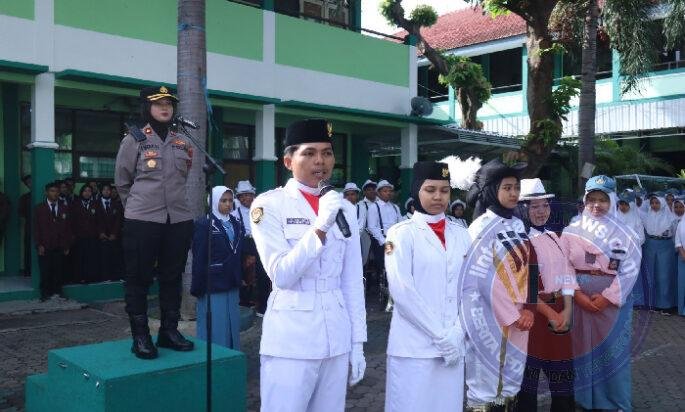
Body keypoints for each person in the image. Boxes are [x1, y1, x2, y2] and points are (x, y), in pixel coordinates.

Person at [250, 119, 367, 412]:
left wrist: (357, 342)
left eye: (327, 153)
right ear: (289, 161)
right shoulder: (269, 205)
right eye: (310, 153)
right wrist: (321, 226)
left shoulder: (345, 208)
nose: (320, 161)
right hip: (292, 337)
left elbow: (352, 280)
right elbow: (281, 275)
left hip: (336, 334)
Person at [115, 85, 195, 359]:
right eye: (159, 103)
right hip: (142, 221)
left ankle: (168, 332)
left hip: (178, 219)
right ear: (147, 108)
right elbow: (122, 182)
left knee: (172, 276)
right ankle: (140, 337)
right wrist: (137, 210)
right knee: (138, 278)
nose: (165, 108)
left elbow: (183, 178)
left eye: (169, 104)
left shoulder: (182, 142)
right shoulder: (134, 140)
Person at [383, 161, 470, 411]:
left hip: (453, 346)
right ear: (416, 191)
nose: (438, 197)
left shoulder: (461, 234)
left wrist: (457, 333)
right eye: (430, 190)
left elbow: (471, 288)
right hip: (414, 347)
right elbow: (402, 291)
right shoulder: (400, 233)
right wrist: (441, 336)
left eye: (444, 190)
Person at [560, 175, 641, 411]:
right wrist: (577, 294)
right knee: (582, 349)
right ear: (585, 201)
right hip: (580, 301)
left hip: (612, 302)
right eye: (591, 199)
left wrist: (607, 297)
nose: (596, 205)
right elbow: (564, 266)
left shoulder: (626, 234)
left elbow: (630, 270)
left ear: (612, 201)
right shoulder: (571, 231)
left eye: (603, 200)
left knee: (612, 351)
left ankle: (616, 402)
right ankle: (585, 400)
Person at [462, 157, 533, 411]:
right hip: (489, 314)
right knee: (486, 377)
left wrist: (528, 308)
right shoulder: (480, 227)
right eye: (507, 188)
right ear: (493, 190)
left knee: (512, 376)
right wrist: (513, 313)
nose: (514, 193)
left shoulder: (518, 223)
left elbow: (527, 267)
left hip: (520, 314)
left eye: (517, 187)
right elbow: (482, 278)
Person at [514, 178, 577, 412]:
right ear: (523, 209)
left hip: (560, 310)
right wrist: (552, 314)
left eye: (545, 205)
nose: (541, 211)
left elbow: (568, 273)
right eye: (534, 206)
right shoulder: (520, 242)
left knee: (563, 375)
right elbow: (524, 288)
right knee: (528, 379)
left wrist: (568, 310)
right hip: (533, 314)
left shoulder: (555, 236)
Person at [192, 186, 244, 349]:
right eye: (223, 200)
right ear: (214, 202)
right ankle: (214, 358)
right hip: (213, 284)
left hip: (232, 281)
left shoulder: (236, 223)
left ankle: (232, 354)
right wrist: (197, 286)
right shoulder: (204, 224)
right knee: (215, 324)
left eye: (230, 200)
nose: (228, 204)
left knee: (232, 322)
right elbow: (199, 256)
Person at [34, 182, 72, 301]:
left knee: (58, 270)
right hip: (45, 245)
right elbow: (36, 228)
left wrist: (67, 245)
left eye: (56, 191)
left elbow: (68, 228)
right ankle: (45, 293)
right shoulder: (40, 208)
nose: (55, 194)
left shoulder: (64, 207)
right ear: (46, 192)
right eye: (52, 191)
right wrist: (39, 244)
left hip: (59, 244)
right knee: (45, 270)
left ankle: (58, 291)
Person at [642, 194, 677, 312]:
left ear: (662, 203)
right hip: (650, 245)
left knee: (664, 275)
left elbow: (675, 234)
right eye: (652, 203)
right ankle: (652, 303)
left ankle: (666, 305)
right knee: (651, 274)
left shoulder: (670, 217)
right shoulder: (647, 216)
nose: (654, 205)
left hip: (666, 246)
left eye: (657, 203)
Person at [366, 179, 402, 294]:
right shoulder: (374, 207)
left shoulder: (395, 207)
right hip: (382, 240)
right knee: (385, 266)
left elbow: (400, 223)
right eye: (385, 191)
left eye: (390, 191)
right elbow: (372, 227)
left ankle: (394, 290)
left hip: (395, 240)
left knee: (396, 266)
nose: (388, 193)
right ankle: (384, 290)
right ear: (379, 193)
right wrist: (384, 241)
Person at [70, 185, 101, 284]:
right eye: (85, 191)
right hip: (79, 236)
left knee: (91, 258)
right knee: (79, 258)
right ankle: (79, 277)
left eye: (89, 191)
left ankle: (90, 277)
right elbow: (72, 221)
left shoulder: (95, 204)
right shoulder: (75, 204)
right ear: (81, 192)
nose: (87, 193)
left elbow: (99, 221)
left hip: (92, 237)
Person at [98, 183, 124, 281]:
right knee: (103, 258)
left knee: (116, 256)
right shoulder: (96, 204)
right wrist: (101, 232)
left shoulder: (116, 204)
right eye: (104, 189)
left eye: (108, 190)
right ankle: (105, 277)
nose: (106, 191)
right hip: (101, 236)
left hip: (114, 236)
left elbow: (118, 220)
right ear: (101, 191)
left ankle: (117, 276)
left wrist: (114, 233)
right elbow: (96, 220)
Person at [359, 180, 377, 267]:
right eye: (369, 190)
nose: (372, 191)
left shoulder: (380, 204)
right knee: (365, 256)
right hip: (366, 233)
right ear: (364, 192)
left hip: (379, 233)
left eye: (374, 189)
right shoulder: (361, 205)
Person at [18, 175, 32, 276]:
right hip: (29, 226)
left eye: (31, 181)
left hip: (44, 226)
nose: (30, 184)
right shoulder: (24, 198)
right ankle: (28, 271)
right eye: (28, 182)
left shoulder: (44, 195)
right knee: (28, 247)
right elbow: (21, 213)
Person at [675, 205, 685, 316]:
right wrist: (682, 253)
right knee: (683, 283)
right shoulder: (681, 222)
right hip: (683, 257)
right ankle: (682, 309)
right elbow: (677, 240)